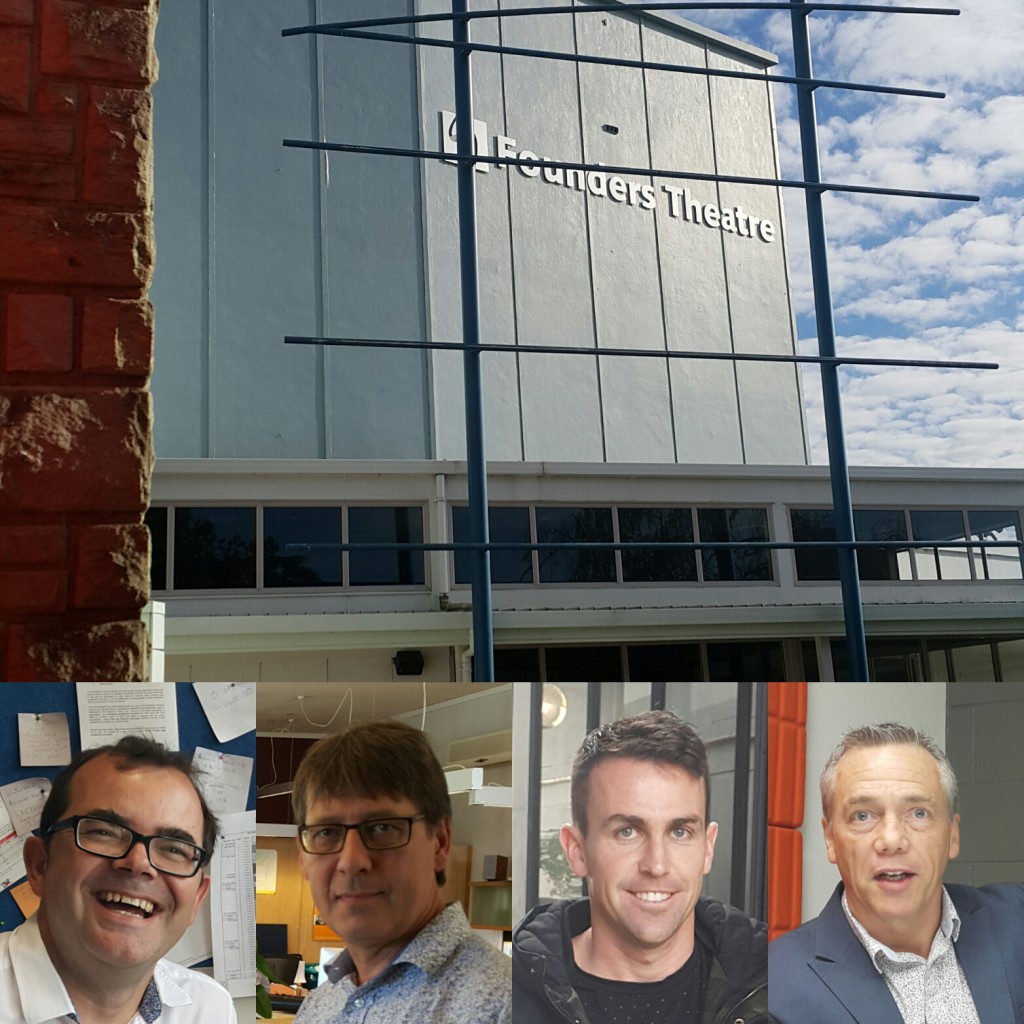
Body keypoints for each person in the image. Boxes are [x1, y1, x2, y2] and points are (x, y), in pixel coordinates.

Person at [512, 710, 769, 1024]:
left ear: (708, 847)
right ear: (577, 851)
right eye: (627, 832)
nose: (657, 865)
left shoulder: (774, 980)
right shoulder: (509, 999)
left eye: (679, 832)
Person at [768, 722, 1024, 1024]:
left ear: (953, 834)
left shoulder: (1015, 918)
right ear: (830, 839)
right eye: (862, 816)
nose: (891, 840)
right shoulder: (774, 983)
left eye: (918, 813)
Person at [0, 735, 236, 1024]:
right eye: (104, 832)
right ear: (40, 865)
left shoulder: (209, 1010)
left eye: (174, 849)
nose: (138, 864)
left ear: (198, 897)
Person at [291, 719, 511, 1024]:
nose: (352, 861)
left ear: (440, 843)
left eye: (383, 828)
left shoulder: (508, 1005)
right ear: (303, 856)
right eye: (327, 833)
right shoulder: (318, 1008)